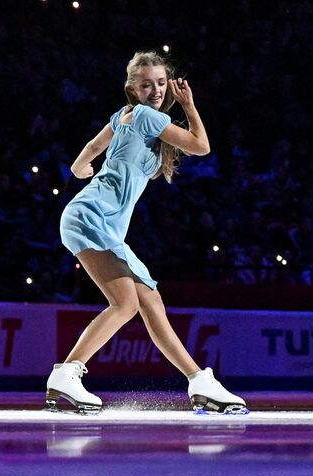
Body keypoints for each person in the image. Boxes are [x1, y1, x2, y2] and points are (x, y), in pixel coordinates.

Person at [50, 51, 246, 414]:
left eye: (160, 83)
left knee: (151, 301)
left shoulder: (123, 116)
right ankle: (67, 372)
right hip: (91, 216)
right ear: (132, 88)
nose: (155, 90)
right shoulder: (144, 115)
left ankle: (199, 381)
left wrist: (80, 168)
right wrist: (189, 106)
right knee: (124, 304)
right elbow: (202, 146)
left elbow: (92, 148)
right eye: (146, 85)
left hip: (102, 223)